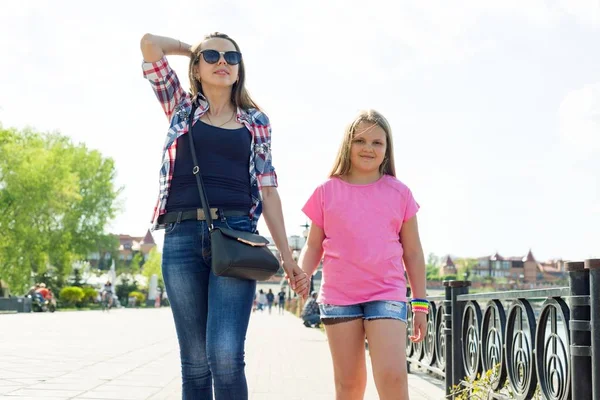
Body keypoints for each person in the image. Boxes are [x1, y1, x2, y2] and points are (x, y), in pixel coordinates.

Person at [140, 32, 309, 399]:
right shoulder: (181, 108)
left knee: (225, 354)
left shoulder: (255, 122)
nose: (222, 62)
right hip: (181, 235)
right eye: (213, 56)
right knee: (195, 361)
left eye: (231, 58)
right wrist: (192, 50)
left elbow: (268, 190)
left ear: (239, 70)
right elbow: (149, 44)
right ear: (197, 68)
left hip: (237, 236)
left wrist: (288, 256)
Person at [298, 110, 428, 400]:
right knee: (349, 386)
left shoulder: (401, 193)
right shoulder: (326, 191)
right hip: (338, 298)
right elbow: (313, 245)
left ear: (387, 149)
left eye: (377, 142)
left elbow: (414, 253)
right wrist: (303, 274)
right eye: (360, 140)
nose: (368, 148)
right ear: (348, 145)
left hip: (387, 294)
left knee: (393, 380)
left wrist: (420, 305)